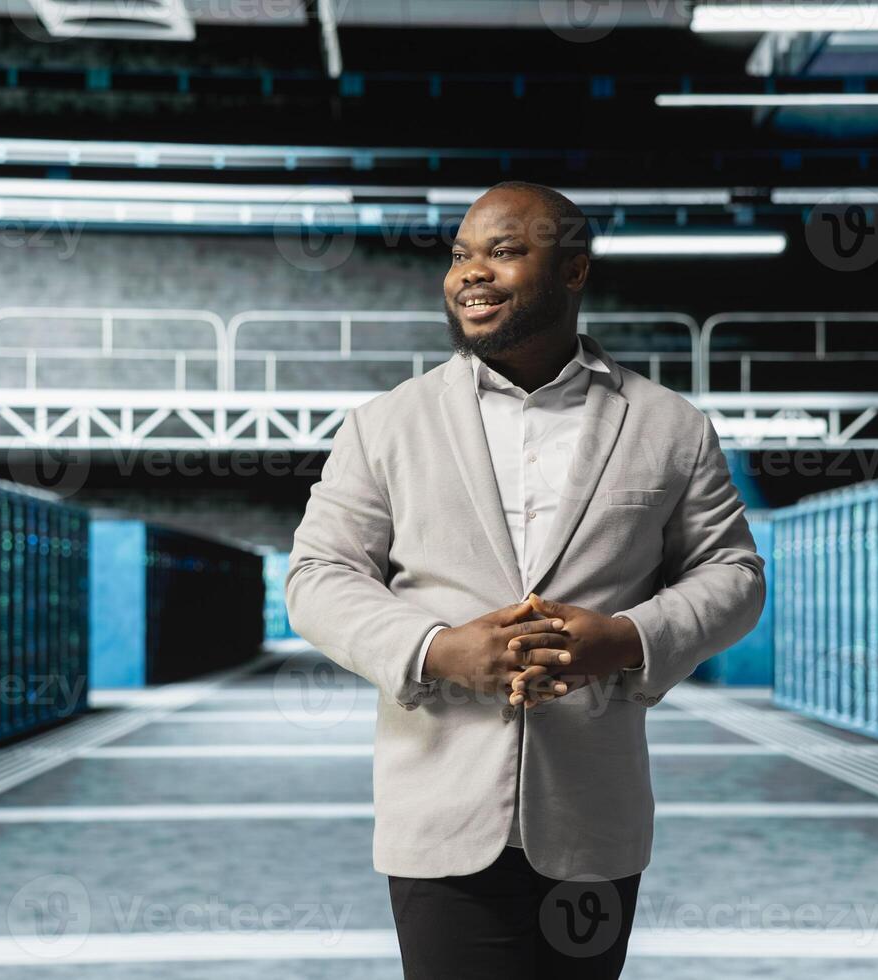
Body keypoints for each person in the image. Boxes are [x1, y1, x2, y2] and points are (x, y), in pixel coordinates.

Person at [286, 180, 766, 979]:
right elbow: (317, 574)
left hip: (592, 816)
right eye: (461, 255)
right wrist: (438, 650)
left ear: (573, 271)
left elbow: (735, 573)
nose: (472, 272)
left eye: (504, 252)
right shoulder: (385, 424)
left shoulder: (668, 426)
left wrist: (627, 638)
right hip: (439, 809)